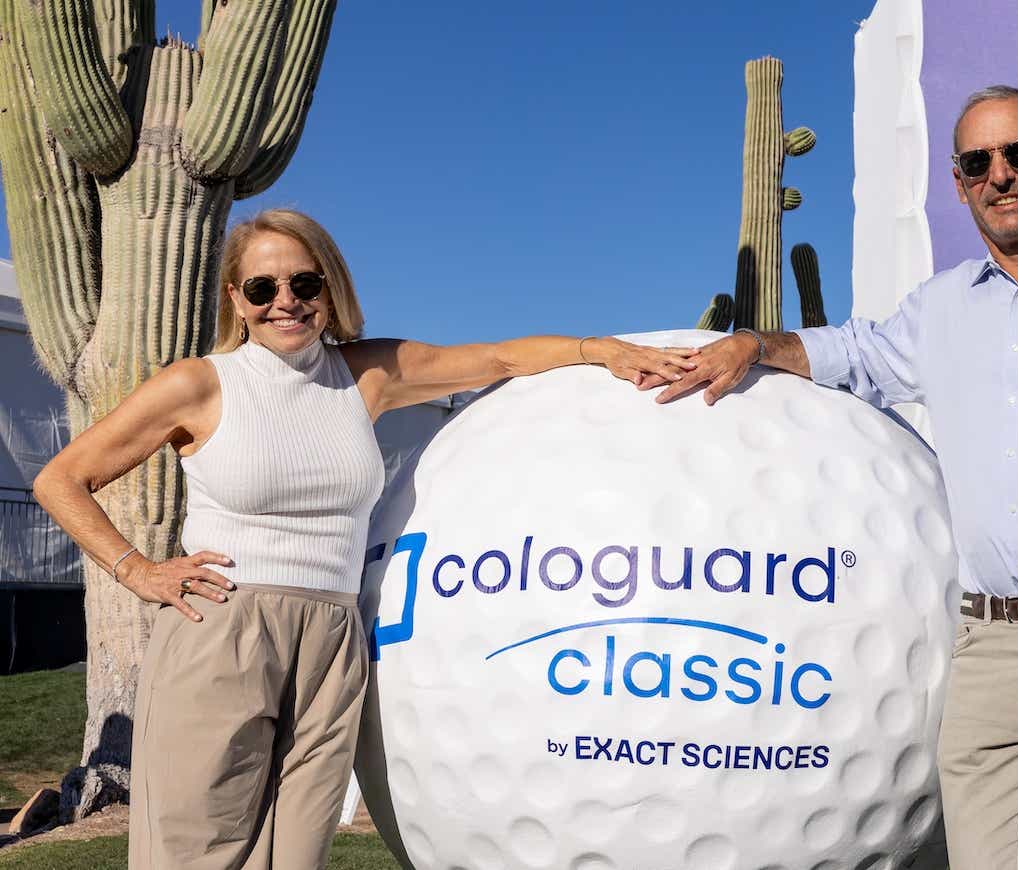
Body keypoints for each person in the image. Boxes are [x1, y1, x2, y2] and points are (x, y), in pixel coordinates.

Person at [651, 86, 1018, 868]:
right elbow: (855, 356)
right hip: (991, 648)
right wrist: (755, 344)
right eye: (978, 162)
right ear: (961, 185)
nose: (1001, 175)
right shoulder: (942, 308)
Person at [33, 208, 698, 869]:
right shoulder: (200, 384)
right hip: (224, 626)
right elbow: (63, 479)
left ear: (330, 289)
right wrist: (135, 569)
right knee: (196, 851)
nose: (286, 302)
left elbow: (500, 357)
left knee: (296, 853)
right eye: (263, 288)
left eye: (305, 283)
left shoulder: (367, 376)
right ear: (236, 299)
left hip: (333, 634)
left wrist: (601, 350)